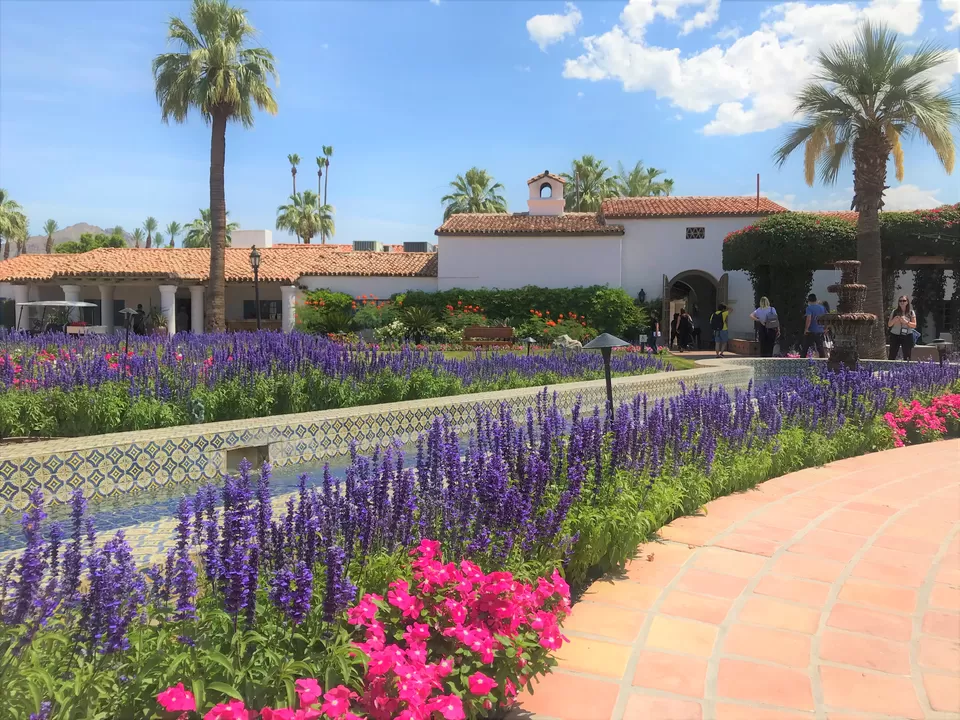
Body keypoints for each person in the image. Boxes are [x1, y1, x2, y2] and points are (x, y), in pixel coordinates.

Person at [888, 295, 917, 360]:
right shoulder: (894, 312)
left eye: (904, 301)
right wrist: (894, 320)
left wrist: (906, 322)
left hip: (907, 335)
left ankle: (907, 369)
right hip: (895, 335)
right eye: (900, 301)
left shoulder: (911, 312)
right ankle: (890, 368)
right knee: (892, 354)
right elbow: (889, 325)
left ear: (907, 302)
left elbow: (914, 325)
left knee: (907, 355)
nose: (902, 302)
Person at [801, 293, 827, 358]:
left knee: (805, 348)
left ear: (809, 301)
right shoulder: (822, 308)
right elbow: (826, 318)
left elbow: (808, 319)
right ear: (816, 300)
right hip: (820, 330)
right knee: (820, 348)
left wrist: (806, 329)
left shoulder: (809, 308)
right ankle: (823, 362)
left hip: (811, 331)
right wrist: (826, 328)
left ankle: (802, 361)